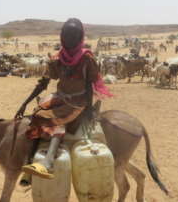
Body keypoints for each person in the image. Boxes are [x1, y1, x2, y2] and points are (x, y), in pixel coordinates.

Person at [15, 18, 112, 179]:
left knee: (54, 120)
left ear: (80, 37)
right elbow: (43, 83)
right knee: (37, 112)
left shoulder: (86, 58)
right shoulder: (57, 59)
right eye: (68, 35)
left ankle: (48, 162)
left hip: (77, 101)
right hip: (60, 97)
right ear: (62, 37)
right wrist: (24, 104)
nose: (70, 39)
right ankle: (31, 161)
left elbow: (89, 84)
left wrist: (87, 109)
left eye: (73, 35)